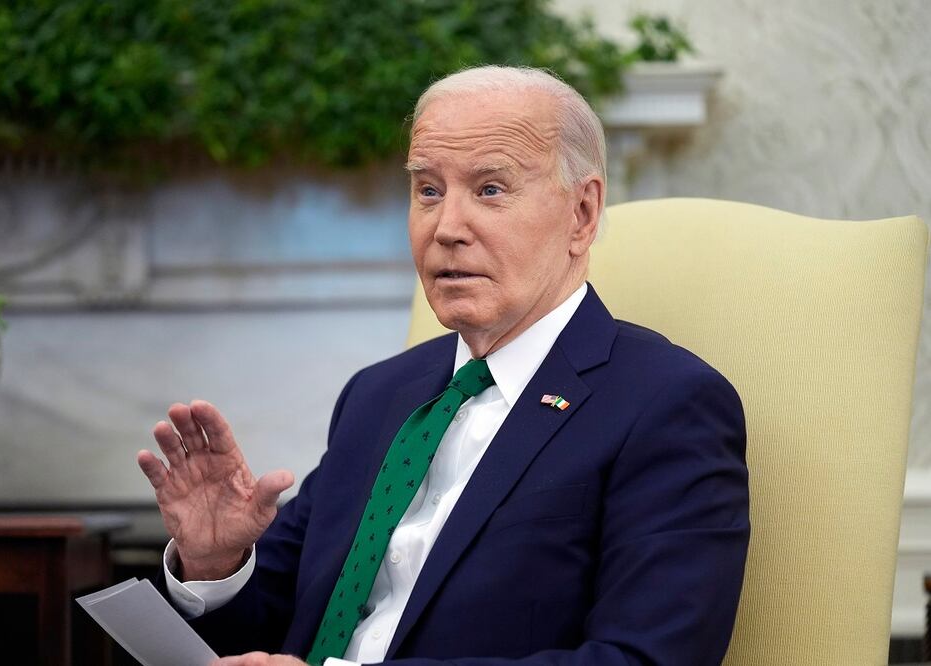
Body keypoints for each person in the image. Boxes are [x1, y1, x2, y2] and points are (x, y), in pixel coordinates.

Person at [138, 65, 750, 666]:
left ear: (582, 214)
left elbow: (647, 657)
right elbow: (276, 625)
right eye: (428, 190)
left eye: (490, 189)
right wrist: (215, 563)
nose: (447, 228)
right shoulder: (378, 394)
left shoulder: (666, 404)